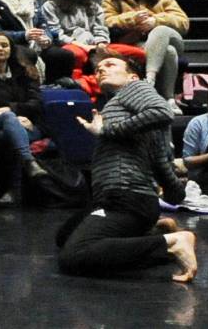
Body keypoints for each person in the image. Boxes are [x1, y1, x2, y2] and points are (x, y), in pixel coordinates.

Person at [55, 53, 197, 283]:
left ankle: (170, 243)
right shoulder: (124, 107)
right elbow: (158, 156)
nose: (101, 69)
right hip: (127, 198)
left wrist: (106, 131)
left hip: (124, 197)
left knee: (73, 256)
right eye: (98, 67)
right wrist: (175, 193)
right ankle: (154, 232)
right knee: (65, 236)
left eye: (110, 65)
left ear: (132, 76)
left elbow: (162, 111)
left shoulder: (134, 88)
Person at [102, 0, 189, 106]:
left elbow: (183, 22)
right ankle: (169, 98)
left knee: (160, 30)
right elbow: (106, 21)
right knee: (169, 52)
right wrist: (132, 18)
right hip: (136, 43)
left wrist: (155, 20)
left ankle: (149, 79)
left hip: (169, 38)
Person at [0, 32, 46, 202]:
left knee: (7, 135)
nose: (0, 49)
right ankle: (28, 163)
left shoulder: (25, 73)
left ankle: (12, 192)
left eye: (4, 45)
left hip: (26, 125)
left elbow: (36, 103)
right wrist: (7, 113)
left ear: (11, 50)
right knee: (6, 119)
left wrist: (12, 111)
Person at [40, 0, 110, 81]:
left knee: (133, 53)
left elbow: (100, 28)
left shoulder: (93, 5)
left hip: (92, 43)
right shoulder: (50, 6)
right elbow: (56, 34)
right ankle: (79, 85)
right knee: (77, 54)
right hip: (68, 44)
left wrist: (101, 43)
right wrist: (82, 46)